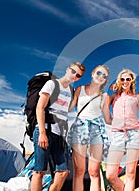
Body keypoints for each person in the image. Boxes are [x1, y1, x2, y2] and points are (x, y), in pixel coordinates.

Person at [31, 61, 86, 191]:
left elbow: (67, 111)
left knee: (62, 172)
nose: (74, 76)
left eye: (78, 76)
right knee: (40, 171)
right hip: (45, 131)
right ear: (68, 69)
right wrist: (43, 133)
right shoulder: (52, 84)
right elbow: (40, 108)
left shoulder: (71, 91)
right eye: (73, 71)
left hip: (60, 135)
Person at [67, 65, 111, 191]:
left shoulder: (105, 96)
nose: (101, 77)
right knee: (79, 170)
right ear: (92, 74)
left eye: (104, 76)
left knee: (94, 172)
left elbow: (108, 119)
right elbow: (70, 108)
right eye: (99, 73)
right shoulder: (79, 89)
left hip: (97, 131)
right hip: (80, 128)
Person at [105, 69, 139, 191]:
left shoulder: (136, 97)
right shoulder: (113, 97)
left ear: (132, 81)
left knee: (131, 173)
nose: (125, 81)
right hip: (117, 134)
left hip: (134, 133)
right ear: (119, 81)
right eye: (122, 79)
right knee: (110, 174)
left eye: (128, 79)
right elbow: (103, 104)